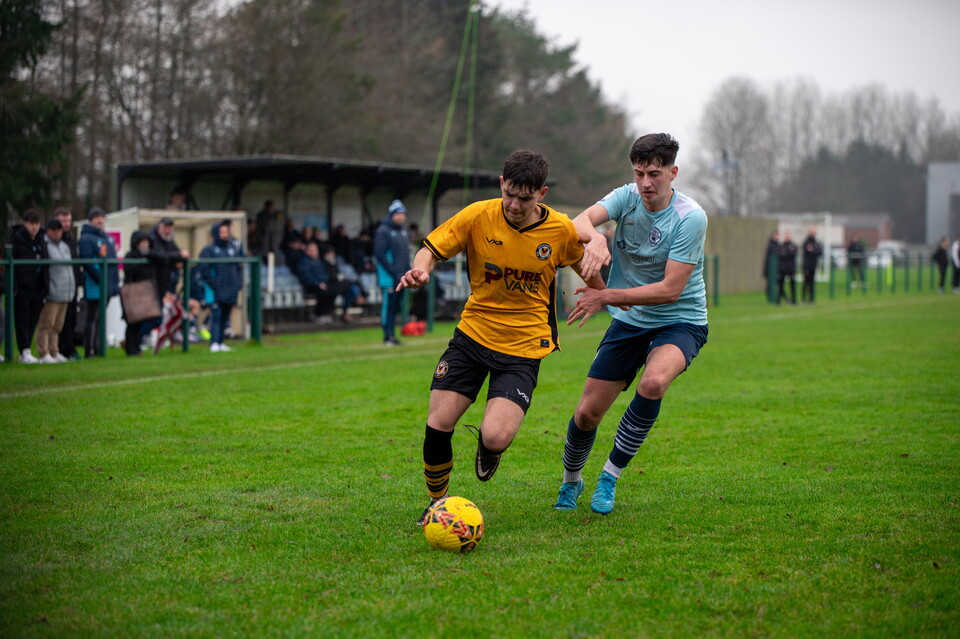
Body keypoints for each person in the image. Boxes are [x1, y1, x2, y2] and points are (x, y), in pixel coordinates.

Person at [396, 149, 602, 525]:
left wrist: (603, 294)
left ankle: (490, 449)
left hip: (523, 348)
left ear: (542, 194)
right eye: (510, 194)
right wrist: (420, 271)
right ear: (501, 184)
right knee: (438, 422)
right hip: (472, 336)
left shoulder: (559, 230)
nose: (515, 205)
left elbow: (588, 270)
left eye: (525, 198)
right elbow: (430, 249)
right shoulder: (478, 215)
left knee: (495, 437)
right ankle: (438, 504)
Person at [552, 133, 709, 516]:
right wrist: (595, 241)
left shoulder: (690, 218)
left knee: (654, 382)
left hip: (680, 321)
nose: (645, 183)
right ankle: (572, 480)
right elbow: (578, 222)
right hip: (629, 321)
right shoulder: (626, 197)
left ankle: (609, 476)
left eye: (654, 174)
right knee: (588, 413)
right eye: (639, 173)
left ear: (673, 172)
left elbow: (671, 290)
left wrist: (604, 296)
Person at [78, 207, 120, 357]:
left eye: (102, 217)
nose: (100, 220)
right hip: (94, 285)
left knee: (101, 318)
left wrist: (113, 282)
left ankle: (98, 348)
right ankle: (89, 350)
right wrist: (100, 278)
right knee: (92, 317)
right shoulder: (86, 239)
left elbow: (113, 262)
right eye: (96, 217)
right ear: (90, 220)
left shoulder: (107, 238)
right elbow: (88, 262)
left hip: (107, 285)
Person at [198, 220, 244, 352]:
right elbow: (204, 269)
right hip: (215, 290)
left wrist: (238, 282)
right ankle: (214, 342)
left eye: (226, 231)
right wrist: (214, 283)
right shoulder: (209, 250)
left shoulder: (233, 248)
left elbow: (239, 266)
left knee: (226, 316)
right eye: (222, 232)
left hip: (231, 288)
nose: (225, 234)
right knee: (216, 315)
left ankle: (221, 341)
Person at [37, 219, 75, 363]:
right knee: (46, 324)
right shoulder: (45, 246)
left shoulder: (65, 246)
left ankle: (54, 351)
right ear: (48, 231)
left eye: (59, 230)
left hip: (66, 291)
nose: (57, 232)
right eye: (54, 230)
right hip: (53, 292)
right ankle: (43, 352)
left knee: (58, 325)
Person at [11, 209, 47, 364]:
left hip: (38, 287)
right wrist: (15, 286)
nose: (34, 227)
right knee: (22, 320)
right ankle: (23, 351)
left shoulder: (40, 240)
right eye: (31, 224)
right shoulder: (17, 239)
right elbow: (12, 265)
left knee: (33, 320)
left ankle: (27, 350)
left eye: (37, 224)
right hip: (23, 287)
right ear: (25, 223)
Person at [147, 216, 189, 345]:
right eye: (166, 227)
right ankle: (136, 338)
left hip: (165, 285)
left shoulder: (169, 240)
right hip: (151, 284)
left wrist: (180, 256)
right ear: (160, 227)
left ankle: (137, 340)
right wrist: (178, 256)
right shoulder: (152, 238)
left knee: (159, 316)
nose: (168, 230)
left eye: (170, 227)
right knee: (152, 316)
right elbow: (160, 255)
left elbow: (176, 253)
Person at [375, 199, 412, 346]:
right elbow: (380, 255)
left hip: (400, 277)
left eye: (403, 214)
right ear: (392, 214)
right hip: (388, 278)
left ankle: (392, 335)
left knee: (395, 308)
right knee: (388, 307)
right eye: (398, 214)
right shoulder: (383, 231)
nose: (401, 217)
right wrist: (393, 271)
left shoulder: (402, 231)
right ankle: (387, 335)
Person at [121, 231, 157, 356]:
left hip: (145, 292)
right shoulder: (130, 256)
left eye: (146, 242)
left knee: (144, 321)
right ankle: (131, 349)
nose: (144, 245)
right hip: (132, 292)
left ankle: (136, 347)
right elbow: (128, 270)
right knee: (132, 323)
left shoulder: (152, 256)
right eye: (142, 242)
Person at [53, 207, 81, 360]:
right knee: (57, 321)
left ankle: (70, 349)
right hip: (58, 286)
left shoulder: (70, 237)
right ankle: (59, 349)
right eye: (63, 221)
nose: (66, 224)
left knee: (71, 319)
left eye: (68, 221)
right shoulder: (53, 239)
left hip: (72, 285)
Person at [288, 241, 337, 323]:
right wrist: (318, 284)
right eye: (312, 250)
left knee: (333, 290)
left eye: (315, 250)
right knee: (324, 292)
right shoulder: (303, 262)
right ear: (307, 251)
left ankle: (326, 313)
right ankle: (319, 314)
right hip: (310, 286)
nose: (314, 252)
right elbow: (306, 277)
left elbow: (325, 274)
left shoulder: (318, 261)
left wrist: (325, 282)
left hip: (323, 284)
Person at [800, 227, 822, 304]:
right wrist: (813, 251)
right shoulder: (806, 242)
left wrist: (813, 251)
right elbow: (807, 251)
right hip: (806, 266)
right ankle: (803, 298)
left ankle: (811, 299)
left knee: (812, 283)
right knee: (806, 282)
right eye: (812, 232)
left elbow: (819, 251)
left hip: (814, 265)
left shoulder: (816, 242)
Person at [777, 231, 797, 305]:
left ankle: (793, 300)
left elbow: (792, 254)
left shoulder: (793, 245)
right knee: (781, 285)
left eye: (788, 236)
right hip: (783, 268)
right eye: (786, 236)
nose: (787, 237)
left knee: (792, 285)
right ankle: (778, 300)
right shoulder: (781, 246)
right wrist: (787, 253)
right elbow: (781, 255)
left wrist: (786, 253)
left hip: (791, 268)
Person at [763, 231, 779, 303]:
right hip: (771, 269)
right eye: (775, 235)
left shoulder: (778, 245)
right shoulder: (770, 245)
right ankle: (770, 298)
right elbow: (767, 258)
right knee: (770, 285)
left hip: (777, 269)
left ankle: (776, 297)